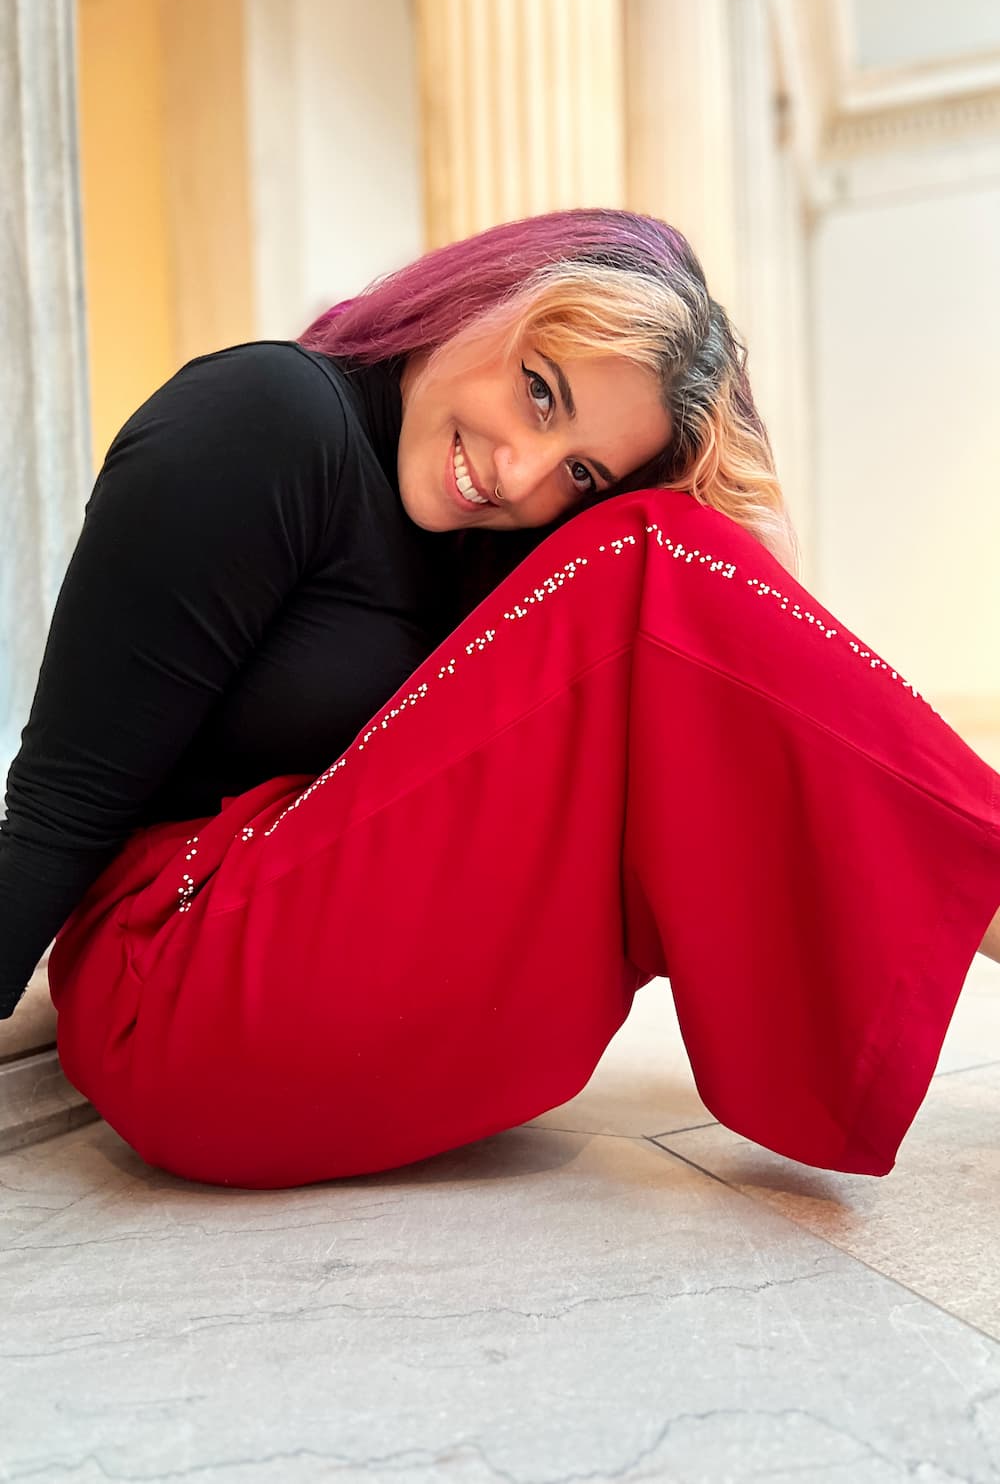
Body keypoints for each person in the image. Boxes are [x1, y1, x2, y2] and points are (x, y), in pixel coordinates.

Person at [1, 208, 997, 1191]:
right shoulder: (265, 418)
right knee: (650, 558)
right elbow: (58, 807)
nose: (516, 470)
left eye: (578, 470)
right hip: (171, 981)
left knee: (664, 611)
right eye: (538, 390)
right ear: (480, 298)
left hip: (338, 981)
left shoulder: (498, 553)